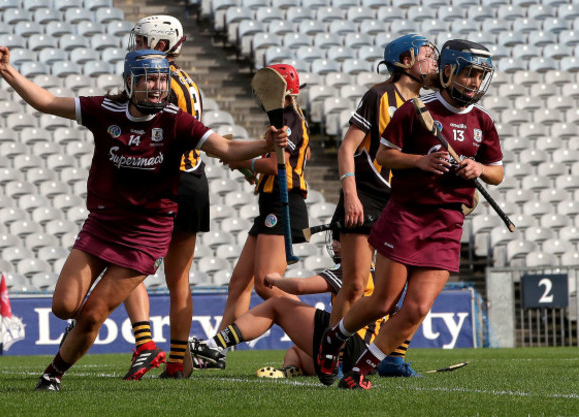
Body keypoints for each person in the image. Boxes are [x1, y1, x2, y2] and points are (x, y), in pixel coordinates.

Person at [0, 46, 290, 391]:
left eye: (161, 79)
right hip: (103, 225)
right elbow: (45, 101)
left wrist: (262, 143)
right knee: (64, 306)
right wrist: (7, 71)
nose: (157, 86)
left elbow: (226, 148)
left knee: (92, 315)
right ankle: (78, 332)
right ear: (130, 82)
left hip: (146, 235)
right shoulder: (104, 110)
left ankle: (53, 374)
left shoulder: (176, 120)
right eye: (148, 79)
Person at [316, 39, 503, 390]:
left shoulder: (483, 122)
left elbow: (497, 172)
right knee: (383, 300)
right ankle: (334, 339)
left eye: (480, 76)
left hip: (447, 223)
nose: (474, 83)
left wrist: (477, 168)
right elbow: (385, 156)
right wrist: (421, 161)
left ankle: (360, 371)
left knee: (416, 309)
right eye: (468, 74)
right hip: (405, 214)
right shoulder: (415, 109)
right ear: (447, 72)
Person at [328, 33, 438, 377]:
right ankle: (331, 354)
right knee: (357, 285)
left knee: (407, 287)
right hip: (367, 194)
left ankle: (392, 357)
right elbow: (348, 148)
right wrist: (350, 194)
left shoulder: (431, 104)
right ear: (405, 61)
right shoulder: (378, 95)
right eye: (427, 56)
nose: (434, 63)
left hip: (404, 200)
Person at [190, 64, 310, 369]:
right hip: (270, 204)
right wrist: (242, 163)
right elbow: (271, 167)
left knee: (266, 286)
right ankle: (216, 350)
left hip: (285, 205)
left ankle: (322, 333)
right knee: (239, 283)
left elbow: (273, 166)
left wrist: (242, 158)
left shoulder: (291, 121)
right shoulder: (285, 122)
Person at [117, 14, 210, 380]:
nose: (136, 47)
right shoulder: (189, 81)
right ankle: (176, 359)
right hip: (194, 180)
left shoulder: (156, 81)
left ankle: (145, 346)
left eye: (142, 42)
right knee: (179, 280)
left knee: (125, 265)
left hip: (163, 183)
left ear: (159, 46)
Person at [190, 234, 387, 376]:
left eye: (339, 238)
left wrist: (276, 280)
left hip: (350, 347)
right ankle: (289, 371)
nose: (335, 244)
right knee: (295, 351)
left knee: (277, 303)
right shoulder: (384, 275)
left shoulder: (353, 272)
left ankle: (215, 346)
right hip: (366, 358)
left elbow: (301, 286)